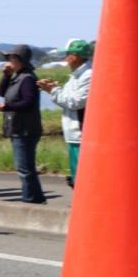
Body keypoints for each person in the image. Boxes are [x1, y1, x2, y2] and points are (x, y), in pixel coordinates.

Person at [0, 45, 46, 204]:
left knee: (24, 168)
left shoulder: (28, 78)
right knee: (25, 167)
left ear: (20, 60)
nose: (9, 62)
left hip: (26, 129)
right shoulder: (17, 76)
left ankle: (30, 199)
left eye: (12, 58)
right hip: (18, 127)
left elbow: (28, 102)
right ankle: (36, 198)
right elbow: (2, 93)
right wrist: (6, 76)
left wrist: (8, 107)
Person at [38, 39, 93, 188]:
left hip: (80, 135)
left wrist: (52, 90)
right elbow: (68, 98)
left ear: (76, 56)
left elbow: (75, 102)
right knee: (78, 178)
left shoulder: (88, 75)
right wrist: (55, 88)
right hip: (74, 134)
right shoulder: (76, 75)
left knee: (83, 180)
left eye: (67, 54)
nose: (65, 58)